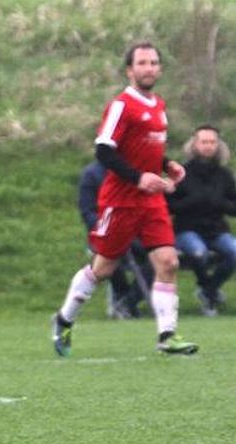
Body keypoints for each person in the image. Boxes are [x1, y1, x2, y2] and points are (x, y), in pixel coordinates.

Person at [51, 41, 198, 357]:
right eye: (142, 63)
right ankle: (64, 319)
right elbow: (104, 150)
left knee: (169, 261)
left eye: (154, 63)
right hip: (120, 201)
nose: (149, 68)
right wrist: (138, 178)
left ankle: (167, 335)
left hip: (151, 201)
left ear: (160, 69)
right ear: (130, 70)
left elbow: (144, 149)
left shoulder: (158, 105)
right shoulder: (122, 105)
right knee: (103, 268)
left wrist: (167, 164)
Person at [166, 124, 236, 316]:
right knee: (198, 253)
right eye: (204, 142)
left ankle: (208, 291)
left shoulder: (224, 175)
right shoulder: (181, 173)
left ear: (218, 145)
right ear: (194, 144)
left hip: (217, 231)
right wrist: (191, 202)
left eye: (212, 142)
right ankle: (208, 291)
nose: (208, 146)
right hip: (186, 230)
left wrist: (220, 203)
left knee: (234, 252)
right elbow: (168, 205)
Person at [79, 160, 154, 319]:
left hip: (132, 233)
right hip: (103, 234)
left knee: (156, 258)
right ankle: (122, 294)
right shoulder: (91, 174)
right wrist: (109, 228)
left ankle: (129, 302)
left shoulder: (133, 173)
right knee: (109, 261)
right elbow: (88, 212)